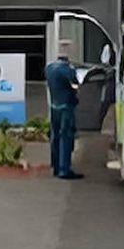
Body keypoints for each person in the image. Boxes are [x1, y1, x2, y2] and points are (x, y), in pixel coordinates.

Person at [45, 41, 82, 180]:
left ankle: (55, 166)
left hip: (54, 105)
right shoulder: (68, 69)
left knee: (55, 137)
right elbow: (75, 83)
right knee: (66, 137)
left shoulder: (49, 68)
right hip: (66, 106)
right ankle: (64, 169)